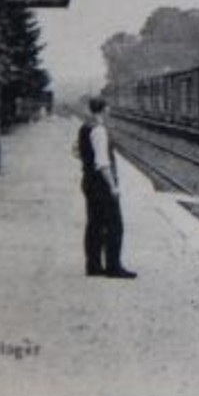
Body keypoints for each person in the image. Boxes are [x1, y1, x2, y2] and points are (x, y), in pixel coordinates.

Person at [77, 98, 135, 279]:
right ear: (104, 109)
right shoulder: (99, 130)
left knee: (94, 224)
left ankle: (93, 266)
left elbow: (75, 151)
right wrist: (113, 186)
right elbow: (102, 163)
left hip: (88, 180)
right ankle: (113, 267)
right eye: (108, 107)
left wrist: (87, 162)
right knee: (114, 225)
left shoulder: (84, 128)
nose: (110, 109)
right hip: (101, 184)